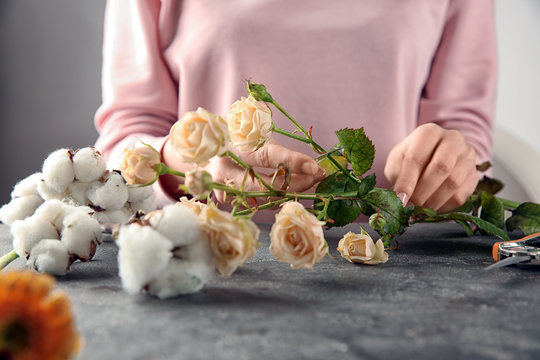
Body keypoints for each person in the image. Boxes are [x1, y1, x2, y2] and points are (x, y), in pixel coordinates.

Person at [94, 0, 496, 220]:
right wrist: (183, 163)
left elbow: (464, 127)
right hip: (211, 261)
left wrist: (455, 164)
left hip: (400, 263)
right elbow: (126, 135)